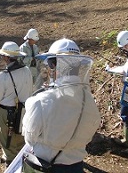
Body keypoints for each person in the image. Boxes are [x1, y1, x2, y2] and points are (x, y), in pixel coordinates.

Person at [21, 38, 101, 173]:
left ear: (53, 65)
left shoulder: (40, 101)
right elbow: (89, 135)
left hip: (45, 167)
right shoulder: (89, 101)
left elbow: (29, 138)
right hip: (76, 167)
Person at [0, 41, 33, 166]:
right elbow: (30, 90)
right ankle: (22, 164)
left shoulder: (2, 76)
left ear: (6, 57)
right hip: (24, 110)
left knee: (7, 140)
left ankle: (10, 164)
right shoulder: (27, 70)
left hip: (7, 111)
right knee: (21, 137)